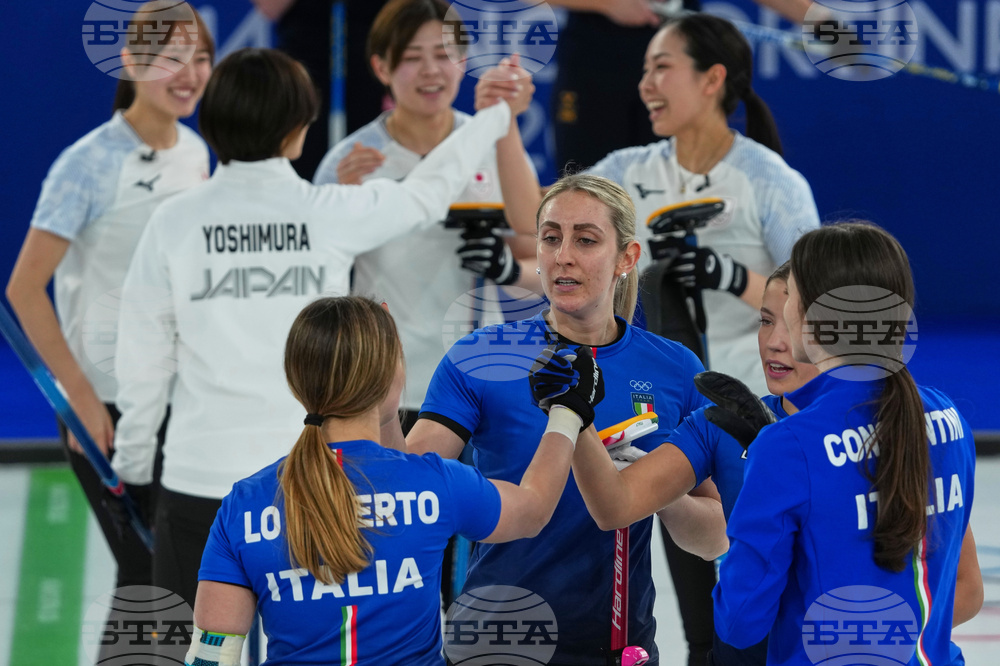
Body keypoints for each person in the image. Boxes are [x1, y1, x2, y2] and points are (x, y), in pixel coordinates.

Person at [109, 46, 517, 623]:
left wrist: (131, 468)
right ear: (299, 129)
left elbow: (142, 359)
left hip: (197, 478)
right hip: (315, 483)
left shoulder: (172, 222)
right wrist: (497, 116)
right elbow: (428, 192)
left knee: (191, 653)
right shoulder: (329, 212)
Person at [408, 173, 727, 664]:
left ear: (627, 257)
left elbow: (710, 539)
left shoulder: (676, 368)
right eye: (551, 237)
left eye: (586, 239)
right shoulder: (482, 355)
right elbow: (412, 488)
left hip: (618, 647)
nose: (563, 255)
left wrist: (648, 488)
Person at [186, 296, 602, 665]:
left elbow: (211, 657)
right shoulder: (433, 485)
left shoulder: (243, 505)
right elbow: (532, 508)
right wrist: (567, 412)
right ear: (389, 376)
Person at [5, 2, 213, 657]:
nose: (189, 73)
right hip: (110, 409)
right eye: (170, 57)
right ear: (130, 62)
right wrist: (81, 400)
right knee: (146, 577)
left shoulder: (199, 154)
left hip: (183, 403)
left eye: (200, 57)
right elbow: (22, 290)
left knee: (173, 582)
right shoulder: (87, 164)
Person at [714, 222, 977, 664]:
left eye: (791, 296)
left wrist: (752, 490)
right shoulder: (949, 418)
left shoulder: (787, 446)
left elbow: (739, 622)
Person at [314, 0, 542, 432]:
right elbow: (316, 279)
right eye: (412, 58)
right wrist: (342, 204)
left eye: (443, 55)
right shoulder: (349, 162)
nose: (430, 71)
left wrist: (508, 268)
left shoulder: (495, 147)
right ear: (381, 67)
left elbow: (543, 258)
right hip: (379, 383)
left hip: (477, 382)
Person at [587, 12, 820, 395]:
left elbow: (816, 296)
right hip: (654, 398)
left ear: (712, 78)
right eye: (645, 71)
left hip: (756, 394)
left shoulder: (768, 178)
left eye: (661, 67)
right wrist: (504, 122)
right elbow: (536, 216)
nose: (645, 86)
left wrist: (733, 277)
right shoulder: (625, 170)